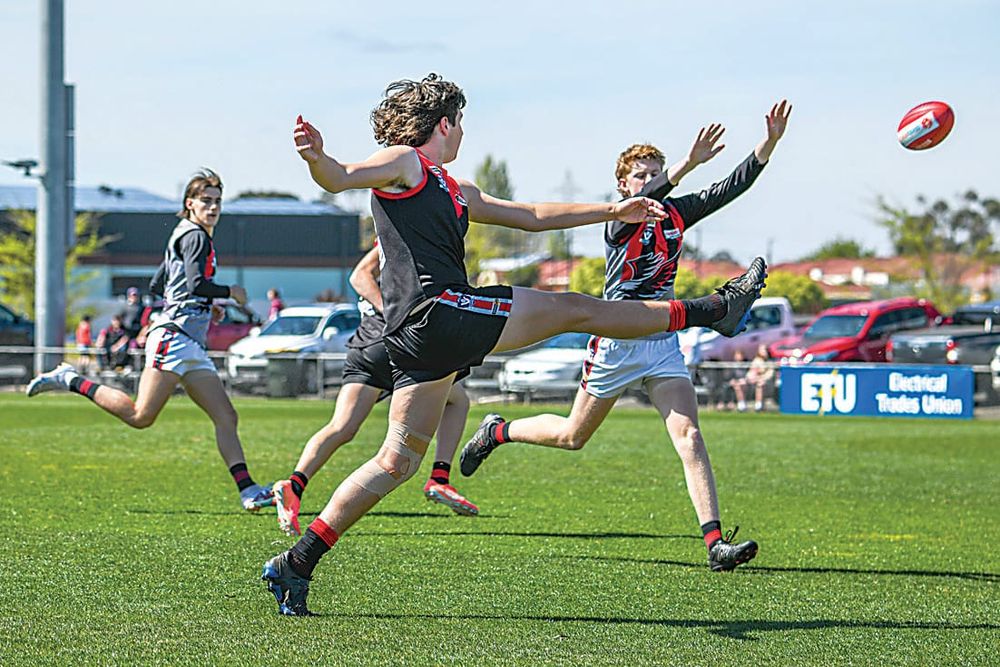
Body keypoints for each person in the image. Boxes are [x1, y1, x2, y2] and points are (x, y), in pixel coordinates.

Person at [261, 73, 767, 615]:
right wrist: (317, 158)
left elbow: (530, 217)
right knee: (573, 307)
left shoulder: (455, 189)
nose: (463, 135)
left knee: (395, 463)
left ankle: (295, 563)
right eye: (462, 124)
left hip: (419, 342)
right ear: (446, 123)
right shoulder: (406, 161)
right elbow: (340, 177)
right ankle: (713, 310)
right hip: (442, 314)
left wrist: (612, 210)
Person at [457, 102, 790, 573]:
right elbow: (652, 196)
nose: (649, 182)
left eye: (654, 172)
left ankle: (715, 543)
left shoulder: (675, 213)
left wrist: (768, 143)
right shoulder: (619, 219)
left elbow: (729, 188)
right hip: (615, 338)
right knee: (573, 436)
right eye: (640, 176)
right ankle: (499, 430)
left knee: (689, 434)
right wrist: (685, 164)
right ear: (622, 186)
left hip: (661, 338)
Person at [26, 169, 272, 512]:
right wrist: (229, 293)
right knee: (141, 416)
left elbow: (159, 285)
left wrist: (204, 307)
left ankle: (248, 490)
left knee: (226, 417)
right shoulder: (197, 237)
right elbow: (194, 283)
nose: (213, 207)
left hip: (187, 342)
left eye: (217, 201)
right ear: (190, 204)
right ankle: (71, 379)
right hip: (174, 340)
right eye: (206, 201)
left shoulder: (183, 235)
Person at [270, 245, 479, 537]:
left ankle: (294, 484)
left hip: (367, 346)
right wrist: (395, 315)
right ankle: (439, 478)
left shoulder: (407, 230)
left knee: (341, 427)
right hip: (399, 343)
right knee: (457, 401)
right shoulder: (408, 232)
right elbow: (360, 276)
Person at [731, 344, 775, 412]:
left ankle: (758, 406)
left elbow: (769, 375)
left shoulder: (770, 362)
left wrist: (760, 378)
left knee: (760, 384)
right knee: (739, 384)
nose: (763, 352)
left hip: (767, 384)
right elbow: (751, 373)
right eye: (761, 350)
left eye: (764, 350)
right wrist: (748, 379)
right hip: (752, 382)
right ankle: (742, 406)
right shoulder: (756, 361)